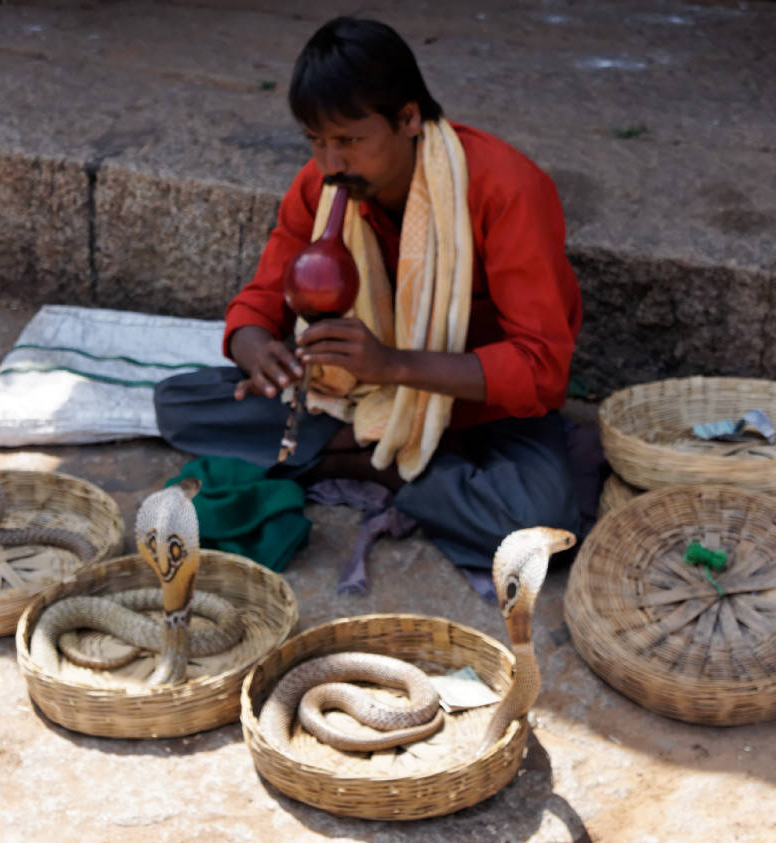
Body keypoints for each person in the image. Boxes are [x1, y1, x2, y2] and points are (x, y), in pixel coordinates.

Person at [155, 16, 584, 572]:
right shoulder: (322, 186)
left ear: (407, 118)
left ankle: (371, 462)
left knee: (543, 528)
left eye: (350, 141)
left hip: (483, 414)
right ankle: (391, 463)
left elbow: (541, 368)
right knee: (179, 404)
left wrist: (394, 365)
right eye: (316, 142)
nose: (332, 163)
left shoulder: (507, 190)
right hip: (357, 400)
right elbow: (259, 302)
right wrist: (259, 353)